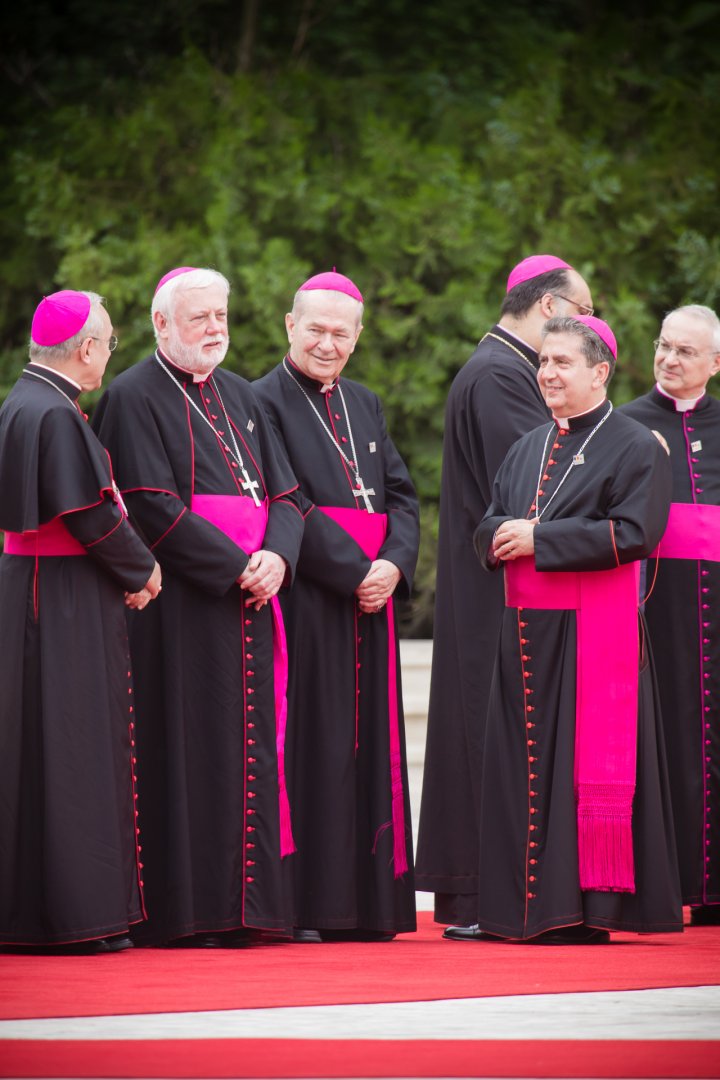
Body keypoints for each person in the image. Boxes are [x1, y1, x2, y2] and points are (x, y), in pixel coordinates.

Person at [446, 314, 682, 943]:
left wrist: (538, 538)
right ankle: (517, 909)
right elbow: (490, 517)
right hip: (524, 636)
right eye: (543, 362)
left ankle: (582, 911)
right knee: (517, 771)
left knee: (574, 770)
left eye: (562, 364)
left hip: (588, 641)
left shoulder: (635, 445)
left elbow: (636, 534)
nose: (547, 373)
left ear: (600, 373)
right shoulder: (529, 445)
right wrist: (495, 541)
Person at [92, 267, 305, 947]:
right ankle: (192, 915)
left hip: (254, 600)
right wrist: (234, 566)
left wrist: (278, 557)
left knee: (254, 759)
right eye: (199, 318)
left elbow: (289, 498)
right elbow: (150, 507)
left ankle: (251, 911)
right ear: (161, 325)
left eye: (221, 315)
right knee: (190, 756)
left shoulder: (244, 396)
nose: (216, 329)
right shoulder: (131, 398)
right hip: (182, 612)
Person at [415, 255, 595, 926]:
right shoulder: (499, 375)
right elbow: (539, 484)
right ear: (549, 307)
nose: (588, 322)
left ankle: (483, 891)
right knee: (487, 731)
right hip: (500, 590)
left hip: (501, 584)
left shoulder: (504, 367)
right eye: (582, 308)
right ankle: (482, 892)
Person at [253, 270, 420, 942]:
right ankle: (315, 907)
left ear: (357, 337)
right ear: (290, 325)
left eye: (341, 333)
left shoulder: (366, 403)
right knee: (315, 745)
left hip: (369, 601)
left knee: (368, 750)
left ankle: (368, 906)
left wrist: (394, 565)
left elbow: (403, 496)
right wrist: (355, 572)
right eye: (316, 329)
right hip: (311, 602)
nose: (328, 343)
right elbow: (288, 500)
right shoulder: (259, 401)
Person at [0, 290, 161, 953]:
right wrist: (142, 570)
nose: (107, 358)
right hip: (63, 598)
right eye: (109, 345)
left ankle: (31, 913)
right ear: (88, 348)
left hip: (31, 592)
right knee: (74, 747)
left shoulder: (22, 401)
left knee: (34, 749)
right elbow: (92, 514)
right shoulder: (57, 414)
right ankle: (77, 919)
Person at [621, 305, 720, 926]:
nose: (669, 358)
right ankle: (671, 884)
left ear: (715, 363)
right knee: (668, 741)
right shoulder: (627, 424)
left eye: (685, 351)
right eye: (663, 345)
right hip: (656, 614)